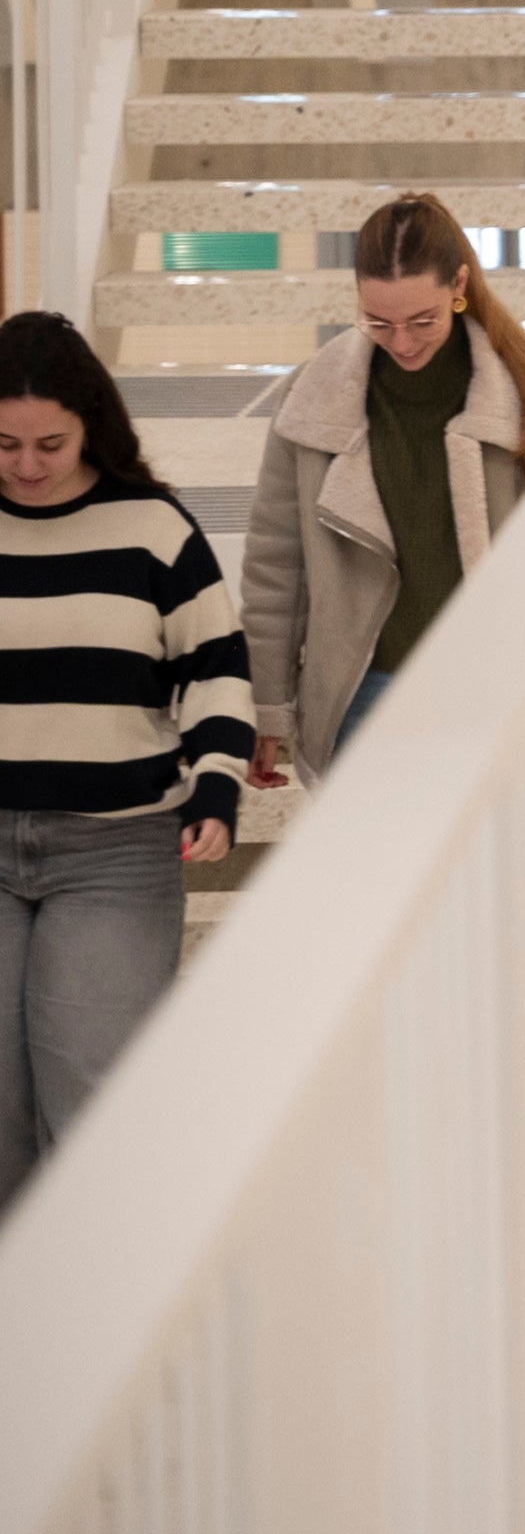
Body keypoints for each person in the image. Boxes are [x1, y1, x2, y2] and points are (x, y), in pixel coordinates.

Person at [0, 312, 248, 1209]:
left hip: (114, 853)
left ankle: (103, 1317)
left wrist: (215, 787)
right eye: (6, 444)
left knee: (92, 1097)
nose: (27, 465)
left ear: (89, 425)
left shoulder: (152, 527)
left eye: (50, 444)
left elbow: (218, 671)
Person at [243, 192, 525, 785]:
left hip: (493, 687)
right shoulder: (315, 397)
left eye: (422, 321)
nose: (401, 343)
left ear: (459, 285)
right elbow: (277, 564)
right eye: (378, 322)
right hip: (360, 695)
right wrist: (267, 707)